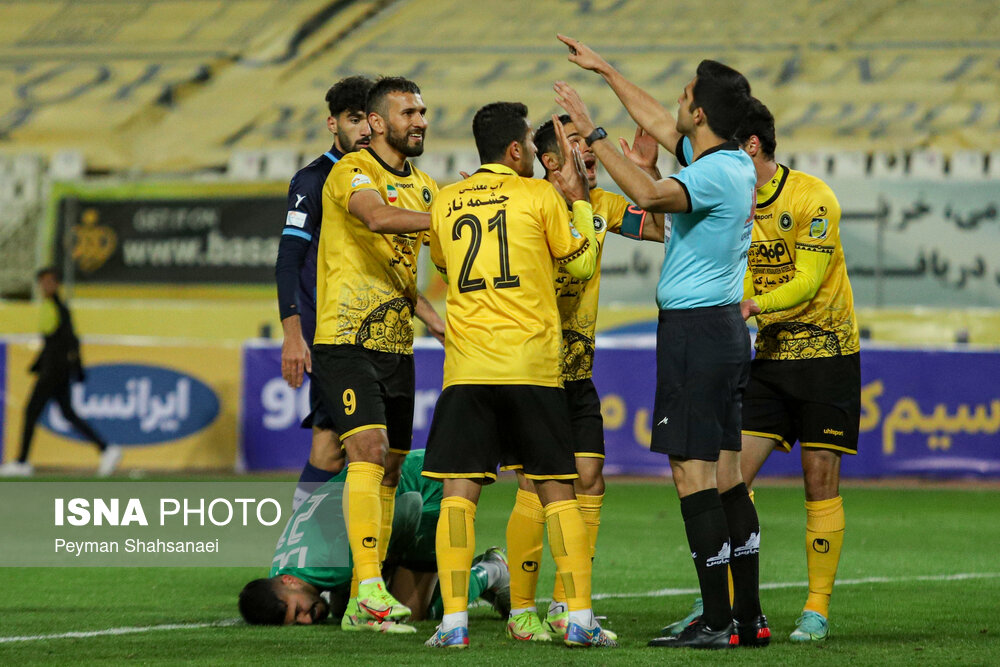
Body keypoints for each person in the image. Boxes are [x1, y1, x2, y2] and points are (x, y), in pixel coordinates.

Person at [554, 35, 766, 649]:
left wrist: (591, 133)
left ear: (699, 112)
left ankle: (717, 620)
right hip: (722, 331)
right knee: (727, 475)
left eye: (684, 94)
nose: (674, 101)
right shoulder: (726, 162)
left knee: (690, 472)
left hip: (696, 334)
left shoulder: (713, 173)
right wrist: (605, 69)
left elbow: (647, 195)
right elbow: (655, 120)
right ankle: (746, 617)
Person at [421, 101, 615, 649]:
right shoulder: (538, 196)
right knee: (557, 490)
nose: (535, 151)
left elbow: (444, 266)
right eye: (531, 144)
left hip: (467, 368)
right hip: (530, 365)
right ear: (514, 149)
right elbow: (580, 264)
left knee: (458, 495)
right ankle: (579, 619)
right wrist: (580, 203)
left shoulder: (446, 200)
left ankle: (453, 625)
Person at [666, 98, 857, 643]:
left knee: (819, 480)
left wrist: (751, 306)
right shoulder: (735, 195)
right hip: (768, 360)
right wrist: (608, 79)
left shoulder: (813, 197)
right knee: (730, 477)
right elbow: (668, 132)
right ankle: (724, 603)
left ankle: (816, 609)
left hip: (827, 354)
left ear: (751, 146)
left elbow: (809, 282)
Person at [501, 114, 664, 641]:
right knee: (535, 484)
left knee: (590, 478)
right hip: (531, 369)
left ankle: (564, 605)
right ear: (550, 161)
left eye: (588, 142)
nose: (589, 149)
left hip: (576, 371)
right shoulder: (529, 202)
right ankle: (520, 611)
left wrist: (648, 174)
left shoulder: (602, 206)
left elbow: (665, 229)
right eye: (576, 143)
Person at [275, 76, 444, 511]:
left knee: (344, 446)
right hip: (336, 333)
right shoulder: (320, 178)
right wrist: (293, 333)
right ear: (333, 123)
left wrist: (432, 318)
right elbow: (289, 260)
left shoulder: (405, 179)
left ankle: (339, 538)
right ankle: (304, 538)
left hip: (386, 335)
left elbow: (391, 265)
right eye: (354, 121)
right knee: (338, 444)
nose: (364, 130)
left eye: (366, 120)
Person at [310, 76, 438, 626]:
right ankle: (366, 589)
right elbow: (375, 216)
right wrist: (451, 218)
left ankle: (368, 595)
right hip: (345, 338)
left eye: (423, 111)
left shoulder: (428, 188)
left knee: (391, 466)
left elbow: (405, 272)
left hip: (397, 344)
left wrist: (437, 321)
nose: (421, 121)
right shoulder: (351, 170)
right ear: (379, 122)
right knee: (367, 448)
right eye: (409, 112)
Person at [238, 450, 510, 628]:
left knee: (408, 611)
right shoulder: (279, 575)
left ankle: (491, 571)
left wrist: (390, 561)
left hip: (428, 485)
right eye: (297, 620)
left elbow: (410, 507)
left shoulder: (331, 562)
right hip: (401, 477)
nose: (306, 620)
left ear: (289, 582)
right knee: (346, 606)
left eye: (299, 610)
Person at [0, 267, 121, 478]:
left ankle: (22, 462)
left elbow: (70, 341)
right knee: (67, 413)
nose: (45, 286)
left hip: (55, 371)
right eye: (42, 282)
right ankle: (106, 449)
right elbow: (50, 342)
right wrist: (39, 363)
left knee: (31, 411)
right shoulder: (49, 306)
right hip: (53, 369)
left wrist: (76, 367)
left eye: (49, 281)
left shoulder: (60, 308)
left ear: (56, 284)